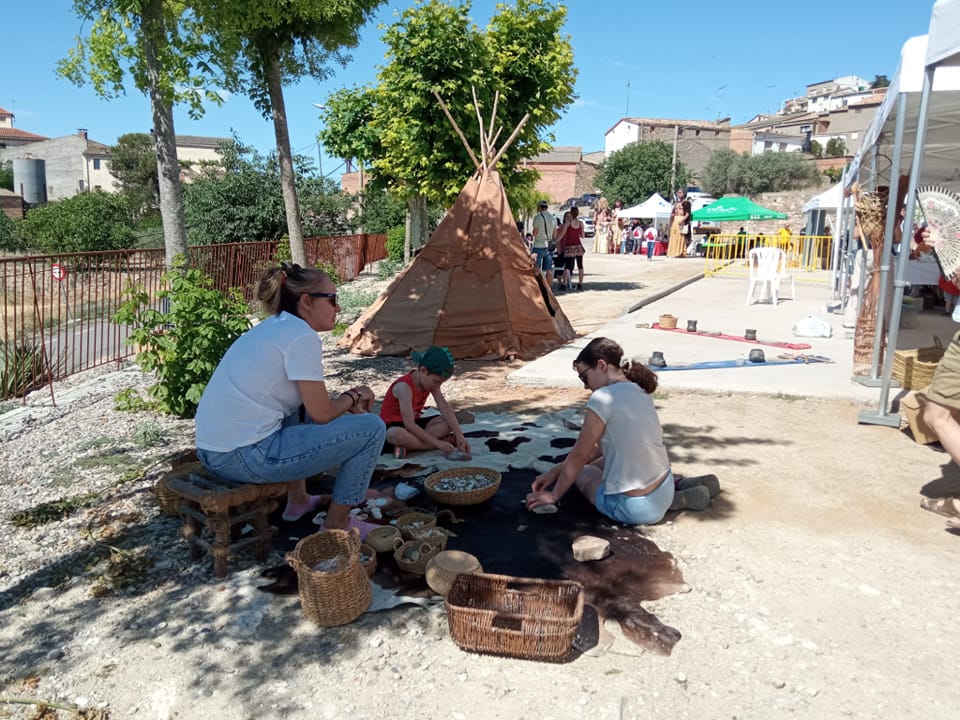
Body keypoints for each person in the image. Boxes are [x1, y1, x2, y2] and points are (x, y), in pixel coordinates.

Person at [194, 262, 386, 536]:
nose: (338, 308)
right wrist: (355, 395)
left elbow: (313, 405)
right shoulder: (300, 336)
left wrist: (344, 401)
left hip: (214, 452)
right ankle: (336, 524)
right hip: (242, 457)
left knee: (300, 407)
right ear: (306, 302)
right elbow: (322, 413)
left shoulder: (276, 327)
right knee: (371, 429)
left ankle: (298, 500)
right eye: (332, 300)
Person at [525, 337, 679, 524]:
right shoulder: (640, 390)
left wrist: (553, 495)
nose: (585, 385)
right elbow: (599, 450)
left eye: (584, 377)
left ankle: (649, 504)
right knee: (606, 458)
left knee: (583, 472)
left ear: (601, 365)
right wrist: (554, 472)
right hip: (665, 489)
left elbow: (580, 455)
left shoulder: (602, 398)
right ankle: (681, 493)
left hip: (636, 507)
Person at [380, 346, 473, 460]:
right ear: (423, 370)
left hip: (415, 427)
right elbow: (409, 424)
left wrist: (459, 435)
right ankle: (427, 446)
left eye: (440, 383)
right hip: (394, 427)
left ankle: (409, 446)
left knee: (447, 422)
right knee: (395, 434)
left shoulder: (430, 384)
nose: (437, 386)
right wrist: (438, 444)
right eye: (436, 381)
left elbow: (444, 407)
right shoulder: (404, 387)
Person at [555, 207, 586, 291]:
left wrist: (556, 241)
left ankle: (564, 283)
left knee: (568, 266)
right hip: (578, 245)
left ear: (571, 213)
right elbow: (583, 236)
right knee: (580, 265)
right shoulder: (580, 223)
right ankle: (580, 283)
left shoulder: (568, 223)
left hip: (569, 246)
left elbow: (562, 233)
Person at [531, 200, 557, 288]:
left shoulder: (537, 217)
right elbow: (554, 235)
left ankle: (537, 288)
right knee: (548, 269)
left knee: (536, 268)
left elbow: (535, 233)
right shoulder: (553, 218)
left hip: (538, 245)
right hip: (549, 246)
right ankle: (548, 289)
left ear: (540, 207)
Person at [667, 190, 691, 258]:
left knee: (680, 237)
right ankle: (672, 252)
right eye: (678, 193)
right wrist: (672, 216)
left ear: (684, 194)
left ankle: (679, 252)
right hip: (675, 220)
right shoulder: (676, 203)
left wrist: (682, 220)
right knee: (673, 236)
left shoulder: (686, 203)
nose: (678, 194)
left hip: (681, 219)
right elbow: (673, 212)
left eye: (680, 193)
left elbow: (687, 214)